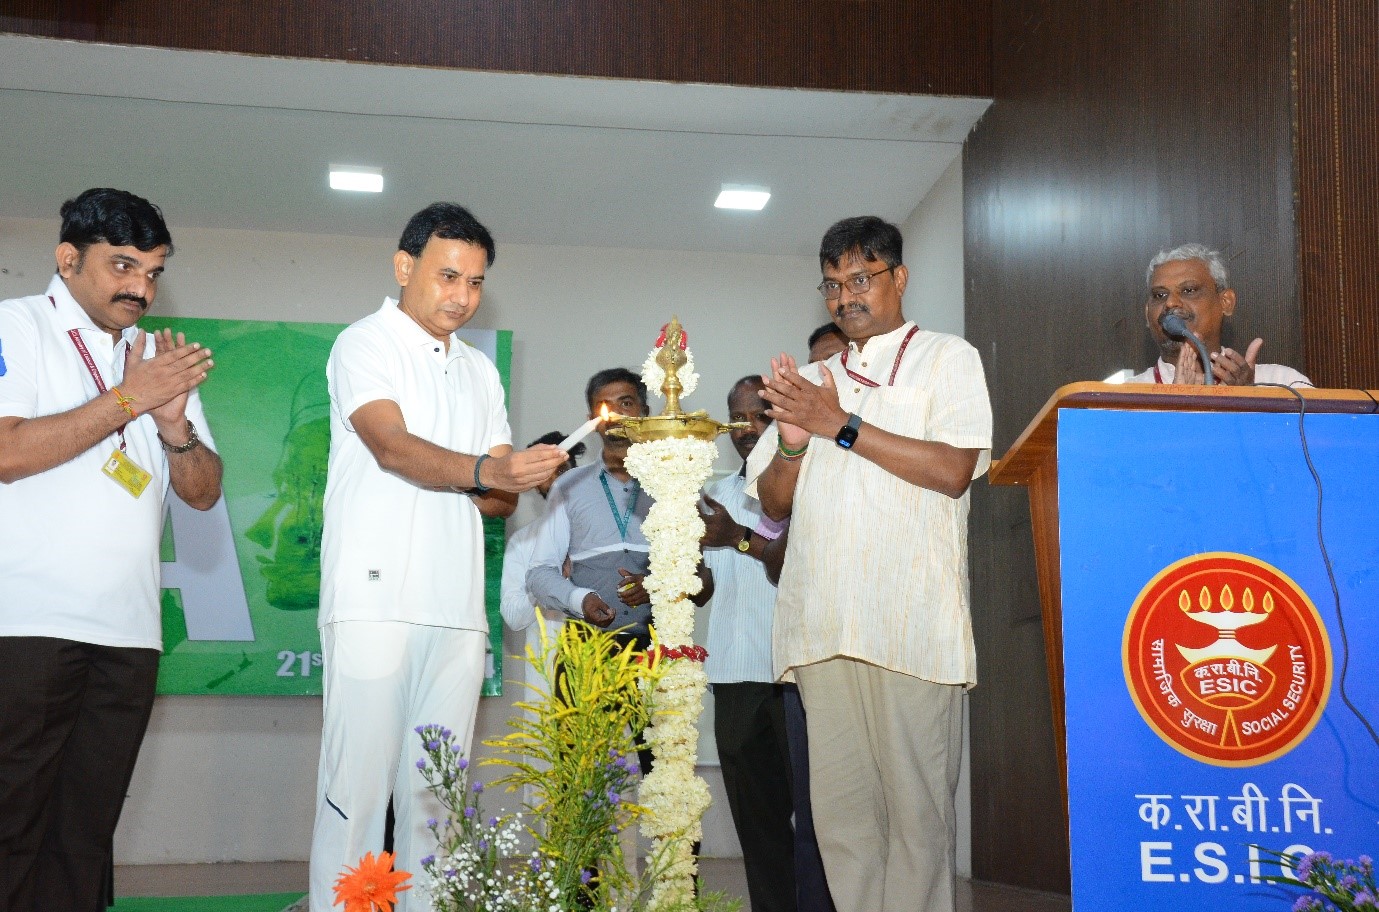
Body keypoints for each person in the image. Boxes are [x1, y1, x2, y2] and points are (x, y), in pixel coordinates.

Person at [310, 202, 568, 912]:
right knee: (356, 794)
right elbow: (391, 447)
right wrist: (490, 472)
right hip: (373, 601)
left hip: (457, 608)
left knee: (438, 799)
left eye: (475, 282)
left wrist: (518, 476)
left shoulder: (479, 371)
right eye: (448, 276)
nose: (461, 296)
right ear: (404, 267)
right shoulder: (364, 343)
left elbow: (498, 500)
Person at [748, 215, 992, 912]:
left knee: (917, 820)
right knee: (842, 824)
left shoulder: (947, 358)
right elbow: (772, 503)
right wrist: (793, 443)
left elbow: (953, 470)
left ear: (899, 277)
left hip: (912, 629)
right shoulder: (809, 381)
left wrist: (841, 426)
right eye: (832, 284)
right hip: (822, 627)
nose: (844, 296)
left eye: (860, 279)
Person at [0, 188, 223, 912]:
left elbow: (202, 493)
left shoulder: (157, 359)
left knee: (86, 835)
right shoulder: (17, 325)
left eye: (153, 272)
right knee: (11, 823)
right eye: (123, 265)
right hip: (26, 625)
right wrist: (130, 399)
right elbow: (7, 452)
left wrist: (175, 428)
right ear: (68, 259)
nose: (141, 289)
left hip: (129, 633)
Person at [526, 368, 713, 773]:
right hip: (586, 650)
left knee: (667, 774)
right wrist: (580, 598)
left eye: (625, 403)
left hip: (659, 652)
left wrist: (660, 584)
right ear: (592, 420)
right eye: (603, 407)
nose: (614, 415)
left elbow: (704, 585)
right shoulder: (568, 486)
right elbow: (538, 574)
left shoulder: (676, 483)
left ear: (644, 412)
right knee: (578, 778)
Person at [700, 376, 796, 912]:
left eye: (761, 416)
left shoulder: (803, 484)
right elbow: (703, 589)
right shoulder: (714, 494)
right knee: (758, 828)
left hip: (792, 674)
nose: (747, 429)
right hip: (733, 675)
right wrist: (669, 569)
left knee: (815, 820)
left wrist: (737, 537)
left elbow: (794, 566)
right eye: (738, 419)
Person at [1132, 243, 1311, 386]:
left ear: (1226, 302)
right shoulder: (1125, 398)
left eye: (1188, 290)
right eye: (1160, 295)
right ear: (1147, 313)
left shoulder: (1285, 384)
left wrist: (1247, 404)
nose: (1170, 303)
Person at [500, 431, 583, 633]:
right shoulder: (523, 541)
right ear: (536, 485)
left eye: (561, 470)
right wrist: (544, 581)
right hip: (548, 651)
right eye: (545, 472)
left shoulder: (603, 528)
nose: (555, 480)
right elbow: (513, 617)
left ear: (576, 472)